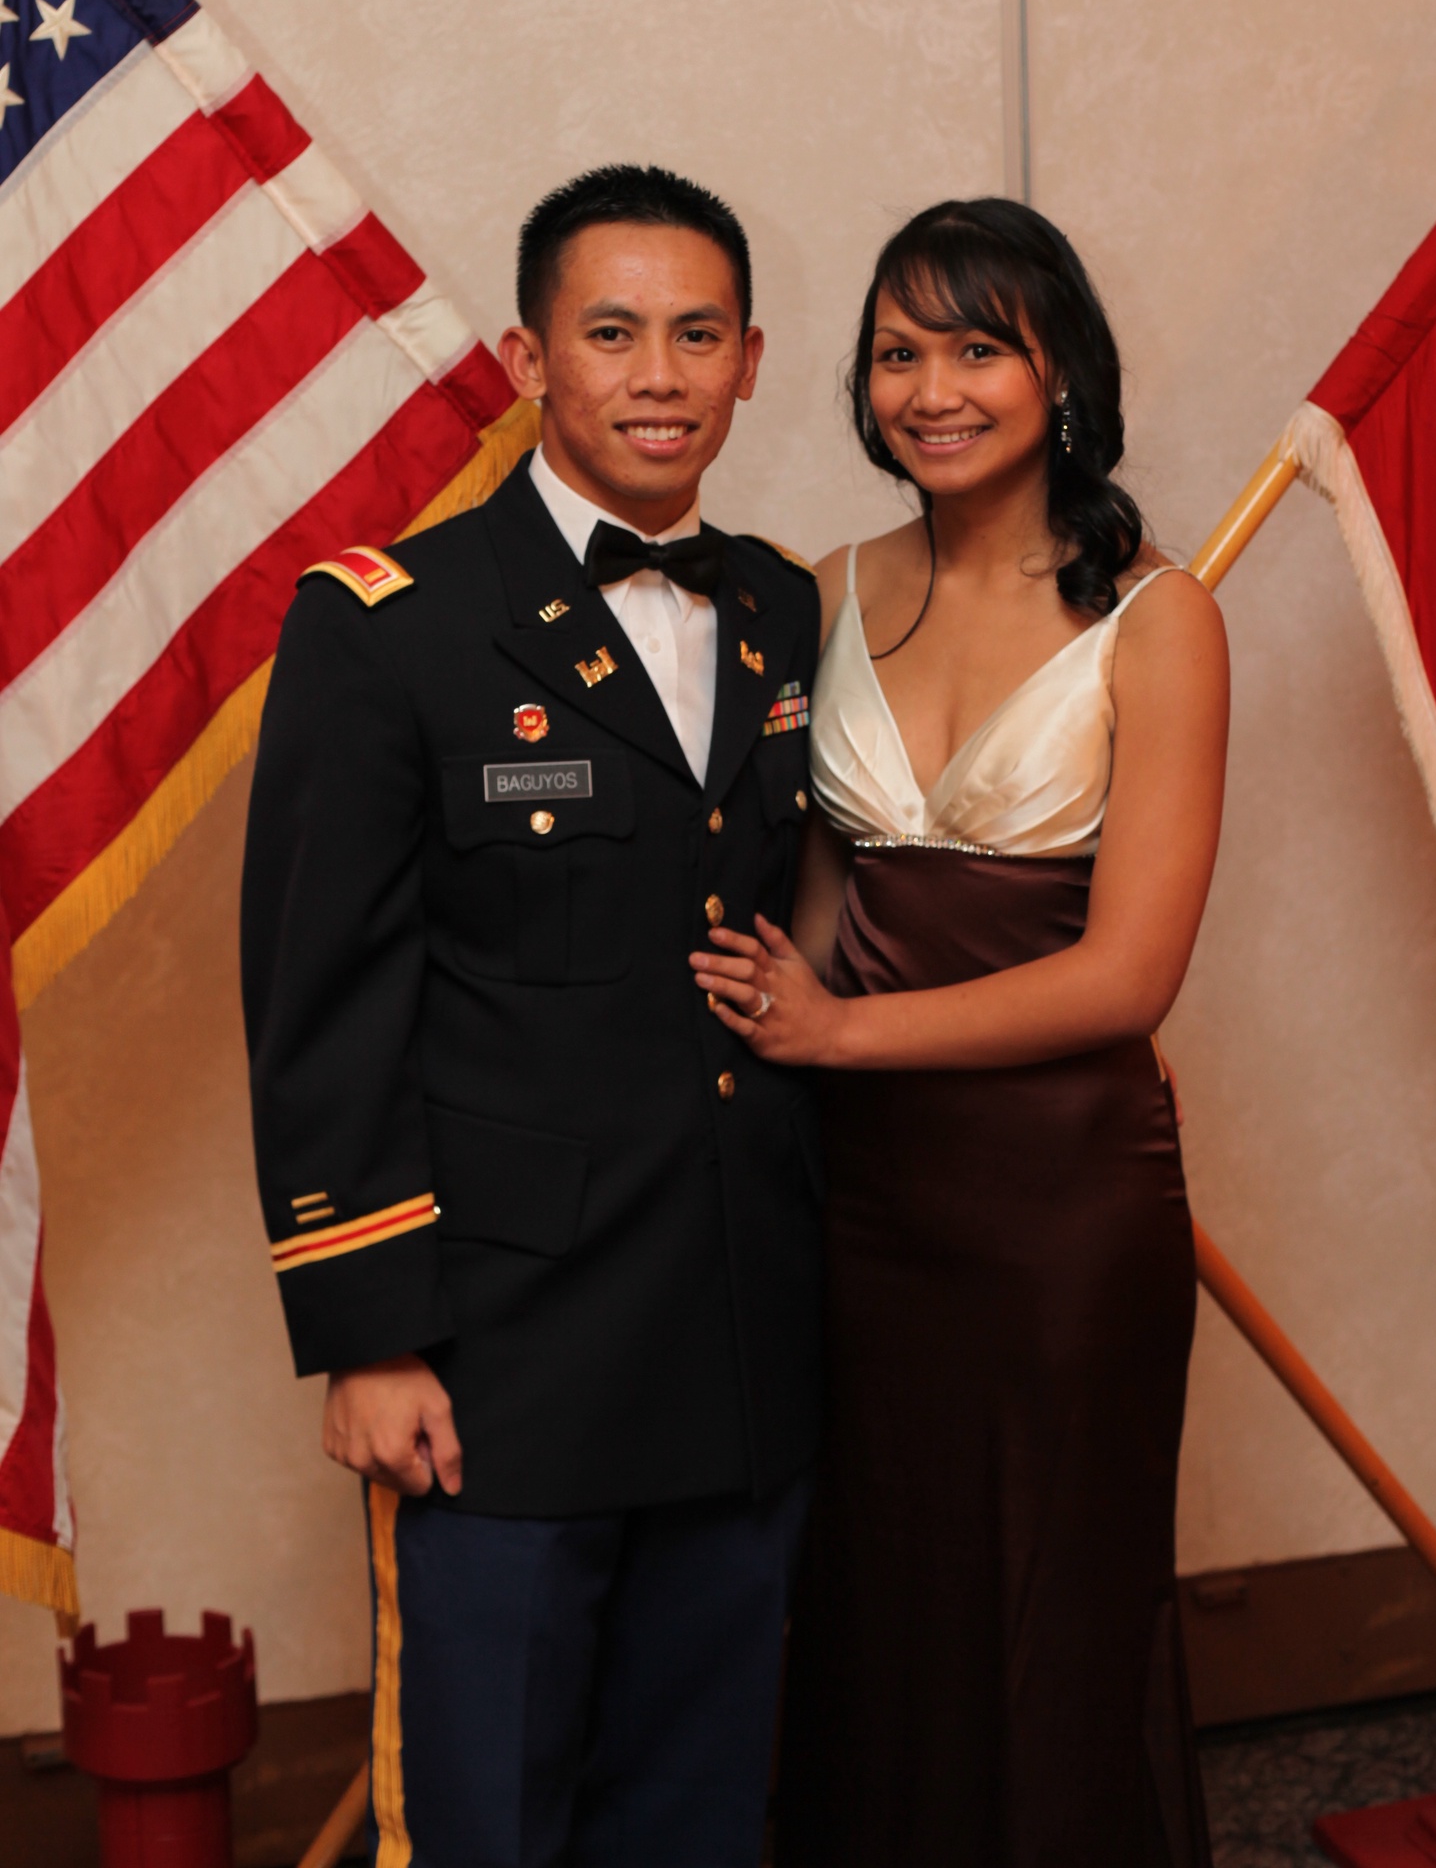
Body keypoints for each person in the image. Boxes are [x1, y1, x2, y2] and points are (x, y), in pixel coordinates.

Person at [243, 165, 823, 1868]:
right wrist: (368, 1333)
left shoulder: (779, 607)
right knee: (486, 1813)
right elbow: (322, 996)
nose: (659, 376)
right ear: (528, 359)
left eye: (698, 336)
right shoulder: (390, 627)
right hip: (503, 1348)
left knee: (699, 1807)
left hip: (736, 1322)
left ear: (750, 361)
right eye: (613, 333)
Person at [692, 197, 1230, 1868]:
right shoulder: (823, 591)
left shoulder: (1161, 617)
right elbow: (814, 903)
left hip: (1064, 1209)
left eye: (976, 348)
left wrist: (837, 1038)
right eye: (896, 353)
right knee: (871, 1604)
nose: (930, 389)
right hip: (855, 1201)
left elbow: (1127, 978)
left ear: (1058, 370)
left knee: (1051, 1619)